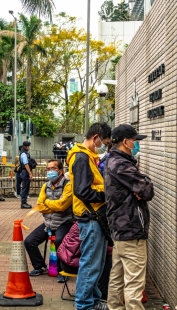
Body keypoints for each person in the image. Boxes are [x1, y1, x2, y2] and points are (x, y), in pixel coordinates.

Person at [105, 124, 154, 310]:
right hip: (131, 229)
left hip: (119, 230)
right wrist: (143, 184)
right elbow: (147, 190)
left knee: (117, 279)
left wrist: (140, 186)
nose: (136, 144)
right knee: (134, 284)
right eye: (134, 141)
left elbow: (141, 188)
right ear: (126, 142)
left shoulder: (112, 161)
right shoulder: (123, 165)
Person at [66, 122, 111, 310]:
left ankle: (93, 301)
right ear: (96, 137)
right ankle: (84, 305)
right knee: (91, 265)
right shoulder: (82, 158)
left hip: (93, 217)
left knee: (96, 264)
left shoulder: (88, 157)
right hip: (90, 217)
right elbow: (82, 191)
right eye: (105, 142)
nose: (105, 146)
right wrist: (107, 193)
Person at [24, 159, 74, 283]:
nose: (50, 172)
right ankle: (39, 266)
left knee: (60, 241)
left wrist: (47, 203)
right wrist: (53, 205)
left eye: (53, 169)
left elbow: (63, 206)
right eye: (48, 169)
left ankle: (62, 271)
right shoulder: (45, 186)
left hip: (65, 222)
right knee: (29, 242)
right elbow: (40, 206)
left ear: (61, 171)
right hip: (48, 223)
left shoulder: (68, 185)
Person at [20, 141, 33, 209]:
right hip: (25, 171)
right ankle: (23, 202)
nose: (29, 147)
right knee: (25, 187)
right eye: (28, 146)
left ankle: (24, 201)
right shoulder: (24, 154)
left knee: (26, 187)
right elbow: (26, 164)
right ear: (26, 147)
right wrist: (30, 173)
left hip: (26, 171)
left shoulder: (25, 153)